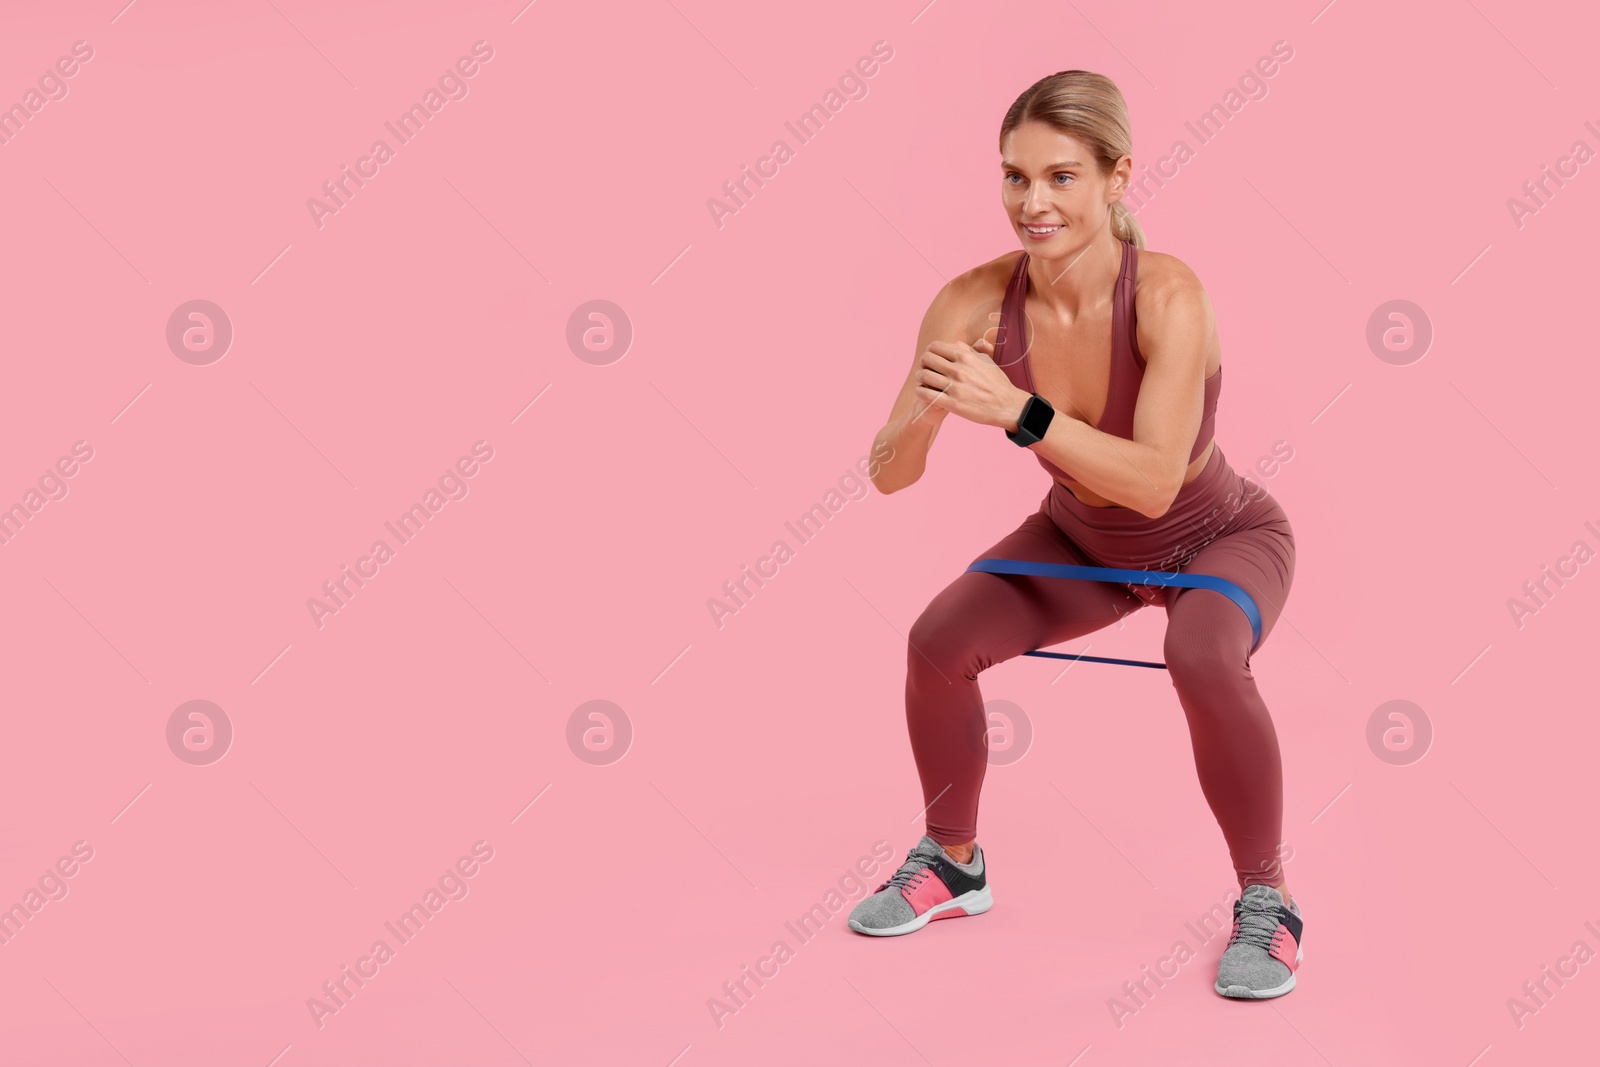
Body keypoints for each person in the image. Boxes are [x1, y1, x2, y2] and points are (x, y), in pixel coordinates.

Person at [846, 70, 1303, 1000]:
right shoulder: (971, 301)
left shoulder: (1169, 295)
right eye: (1015, 177)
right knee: (936, 642)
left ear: (1117, 176)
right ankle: (954, 861)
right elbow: (889, 473)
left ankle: (1270, 902)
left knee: (1203, 653)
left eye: (1060, 177)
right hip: (1083, 543)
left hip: (1217, 532)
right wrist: (933, 406)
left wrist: (1014, 408)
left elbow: (1151, 482)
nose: (1032, 202)